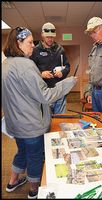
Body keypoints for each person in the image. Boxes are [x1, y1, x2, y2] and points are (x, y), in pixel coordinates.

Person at [2, 27, 77, 199]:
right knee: (35, 156)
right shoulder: (26, 66)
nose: (33, 46)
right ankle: (34, 190)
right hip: (30, 124)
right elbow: (46, 95)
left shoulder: (5, 64)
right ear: (18, 43)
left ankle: (12, 182)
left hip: (15, 124)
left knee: (21, 152)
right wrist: (67, 83)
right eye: (29, 43)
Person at [30, 22, 70, 114]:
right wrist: (41, 74)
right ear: (42, 35)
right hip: (44, 93)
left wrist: (62, 73)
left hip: (59, 92)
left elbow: (67, 67)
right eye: (48, 37)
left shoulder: (60, 50)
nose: (50, 39)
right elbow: (30, 72)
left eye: (52, 37)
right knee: (46, 122)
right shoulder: (35, 51)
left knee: (60, 120)